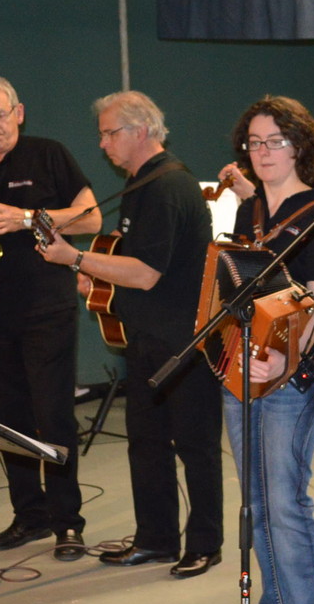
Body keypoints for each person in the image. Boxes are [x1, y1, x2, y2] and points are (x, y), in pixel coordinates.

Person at [38, 92, 223, 577]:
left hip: (183, 342)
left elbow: (146, 273)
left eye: (109, 132)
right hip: (146, 339)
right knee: (146, 442)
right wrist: (98, 277)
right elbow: (134, 266)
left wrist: (75, 258)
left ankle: (205, 542)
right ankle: (156, 539)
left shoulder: (167, 188)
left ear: (141, 130)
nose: (102, 144)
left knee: (195, 447)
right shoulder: (142, 185)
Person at [204, 96, 314, 604]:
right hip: (242, 371)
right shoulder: (247, 214)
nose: (264, 153)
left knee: (284, 501)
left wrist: (282, 366)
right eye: (254, 143)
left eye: (275, 141)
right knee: (256, 502)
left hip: (292, 377)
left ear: (300, 148)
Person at [0, 77, 99, 561]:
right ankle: (28, 514)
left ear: (19, 112)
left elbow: (92, 217)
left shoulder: (49, 153)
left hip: (46, 308)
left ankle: (67, 522)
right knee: (8, 417)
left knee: (53, 413)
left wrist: (27, 217)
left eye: (0, 115)